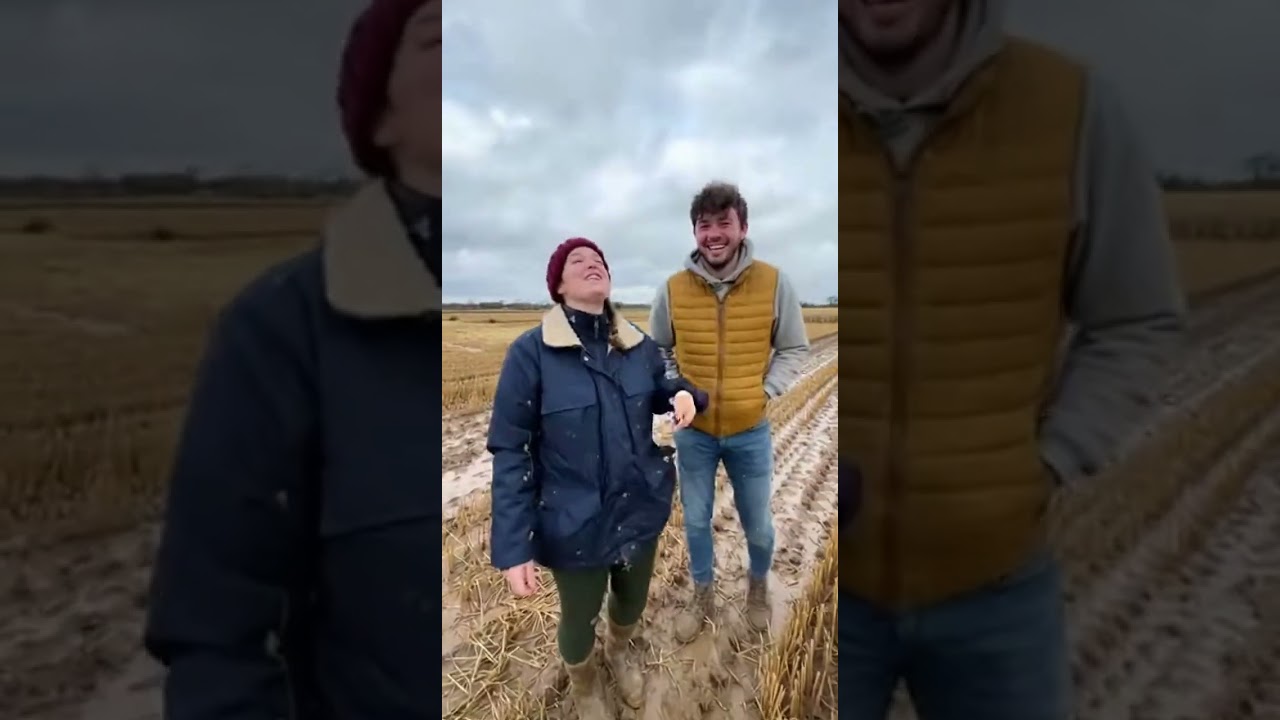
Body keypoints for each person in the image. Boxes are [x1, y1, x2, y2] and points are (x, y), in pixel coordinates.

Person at [837, 0, 1187, 718]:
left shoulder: (1071, 108)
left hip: (996, 593)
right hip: (811, 592)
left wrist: (1051, 458)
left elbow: (1135, 317)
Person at [143, 1, 443, 717]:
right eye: (446, 39)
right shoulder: (283, 329)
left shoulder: (582, 305)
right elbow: (220, 643)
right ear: (381, 119)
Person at [487, 237, 709, 717]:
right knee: (579, 617)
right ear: (559, 286)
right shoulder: (531, 354)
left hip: (639, 506)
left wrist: (686, 396)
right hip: (574, 521)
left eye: (599, 260)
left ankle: (620, 651)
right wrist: (512, 543)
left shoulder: (638, 347)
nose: (593, 265)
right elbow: (510, 449)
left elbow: (668, 387)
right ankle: (585, 684)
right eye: (577, 261)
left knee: (631, 603)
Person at [648, 181, 811, 640]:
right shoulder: (673, 289)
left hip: (749, 430)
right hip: (693, 432)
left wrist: (766, 390)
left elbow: (795, 348)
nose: (714, 233)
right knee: (696, 520)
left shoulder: (774, 282)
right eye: (705, 225)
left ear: (743, 227)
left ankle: (757, 587)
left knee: (758, 524)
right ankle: (702, 596)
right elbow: (656, 350)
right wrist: (674, 388)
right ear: (694, 231)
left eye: (724, 223)